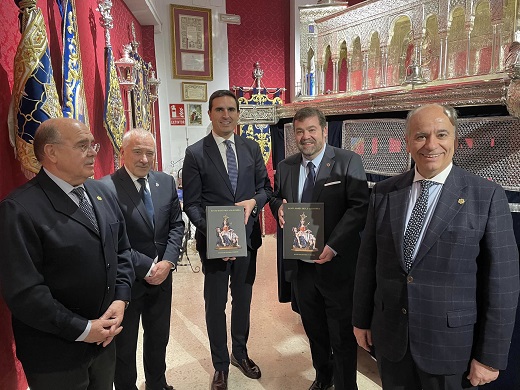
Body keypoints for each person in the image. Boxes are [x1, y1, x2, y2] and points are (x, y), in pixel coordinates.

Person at [352, 104, 520, 389]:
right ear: (406, 142)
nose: (431, 145)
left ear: (455, 139)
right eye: (420, 136)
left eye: (441, 134)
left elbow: (502, 283)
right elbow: (368, 262)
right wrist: (360, 320)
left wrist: (490, 357)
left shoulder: (486, 197)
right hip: (392, 339)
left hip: (449, 348)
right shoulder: (384, 192)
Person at [0, 118, 134, 390]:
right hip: (55, 355)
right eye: (82, 145)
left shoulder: (101, 193)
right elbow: (25, 293)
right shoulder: (19, 209)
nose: (93, 152)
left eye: (92, 144)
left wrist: (121, 300)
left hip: (104, 343)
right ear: (51, 153)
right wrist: (83, 329)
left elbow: (122, 251)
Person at [270, 107, 369, 390]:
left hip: (337, 265)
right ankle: (323, 377)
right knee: (314, 329)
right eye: (300, 131)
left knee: (341, 334)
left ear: (324, 131)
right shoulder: (286, 166)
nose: (306, 137)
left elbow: (359, 207)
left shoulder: (348, 161)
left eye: (312, 130)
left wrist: (333, 245)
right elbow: (276, 197)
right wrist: (279, 208)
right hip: (302, 267)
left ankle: (347, 385)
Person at [182, 89, 272, 390]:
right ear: (210, 114)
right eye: (219, 109)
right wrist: (216, 235)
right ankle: (220, 365)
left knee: (243, 302)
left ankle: (240, 354)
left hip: (247, 241)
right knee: (215, 304)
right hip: (215, 244)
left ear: (238, 115)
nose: (226, 115)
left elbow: (266, 188)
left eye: (231, 109)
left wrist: (254, 203)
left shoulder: (251, 148)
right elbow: (191, 205)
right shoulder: (195, 153)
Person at [101, 129, 184, 390]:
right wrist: (147, 266)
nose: (144, 159)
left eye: (150, 153)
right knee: (125, 347)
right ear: (122, 153)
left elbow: (176, 225)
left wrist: (168, 262)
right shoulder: (105, 188)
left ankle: (157, 384)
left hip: (162, 278)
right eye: (137, 152)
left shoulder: (165, 182)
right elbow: (112, 239)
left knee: (159, 338)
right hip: (126, 282)